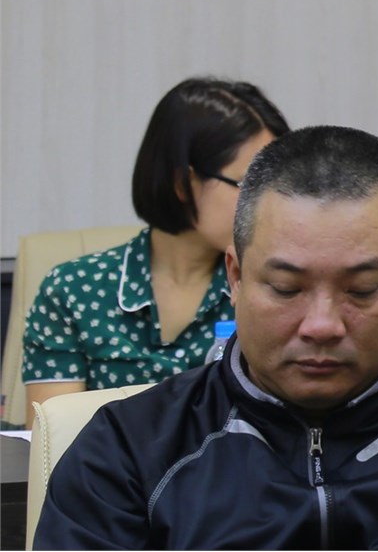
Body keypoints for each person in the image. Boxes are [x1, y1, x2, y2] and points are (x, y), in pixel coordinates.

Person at [34, 125, 378, 550]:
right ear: (236, 276)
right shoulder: (129, 450)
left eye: (361, 290)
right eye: (286, 289)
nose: (323, 325)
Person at [20, 77, 288, 424]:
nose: (267, 203)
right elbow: (54, 438)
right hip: (104, 462)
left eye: (274, 185)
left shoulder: (272, 288)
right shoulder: (74, 291)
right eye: (248, 184)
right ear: (182, 182)